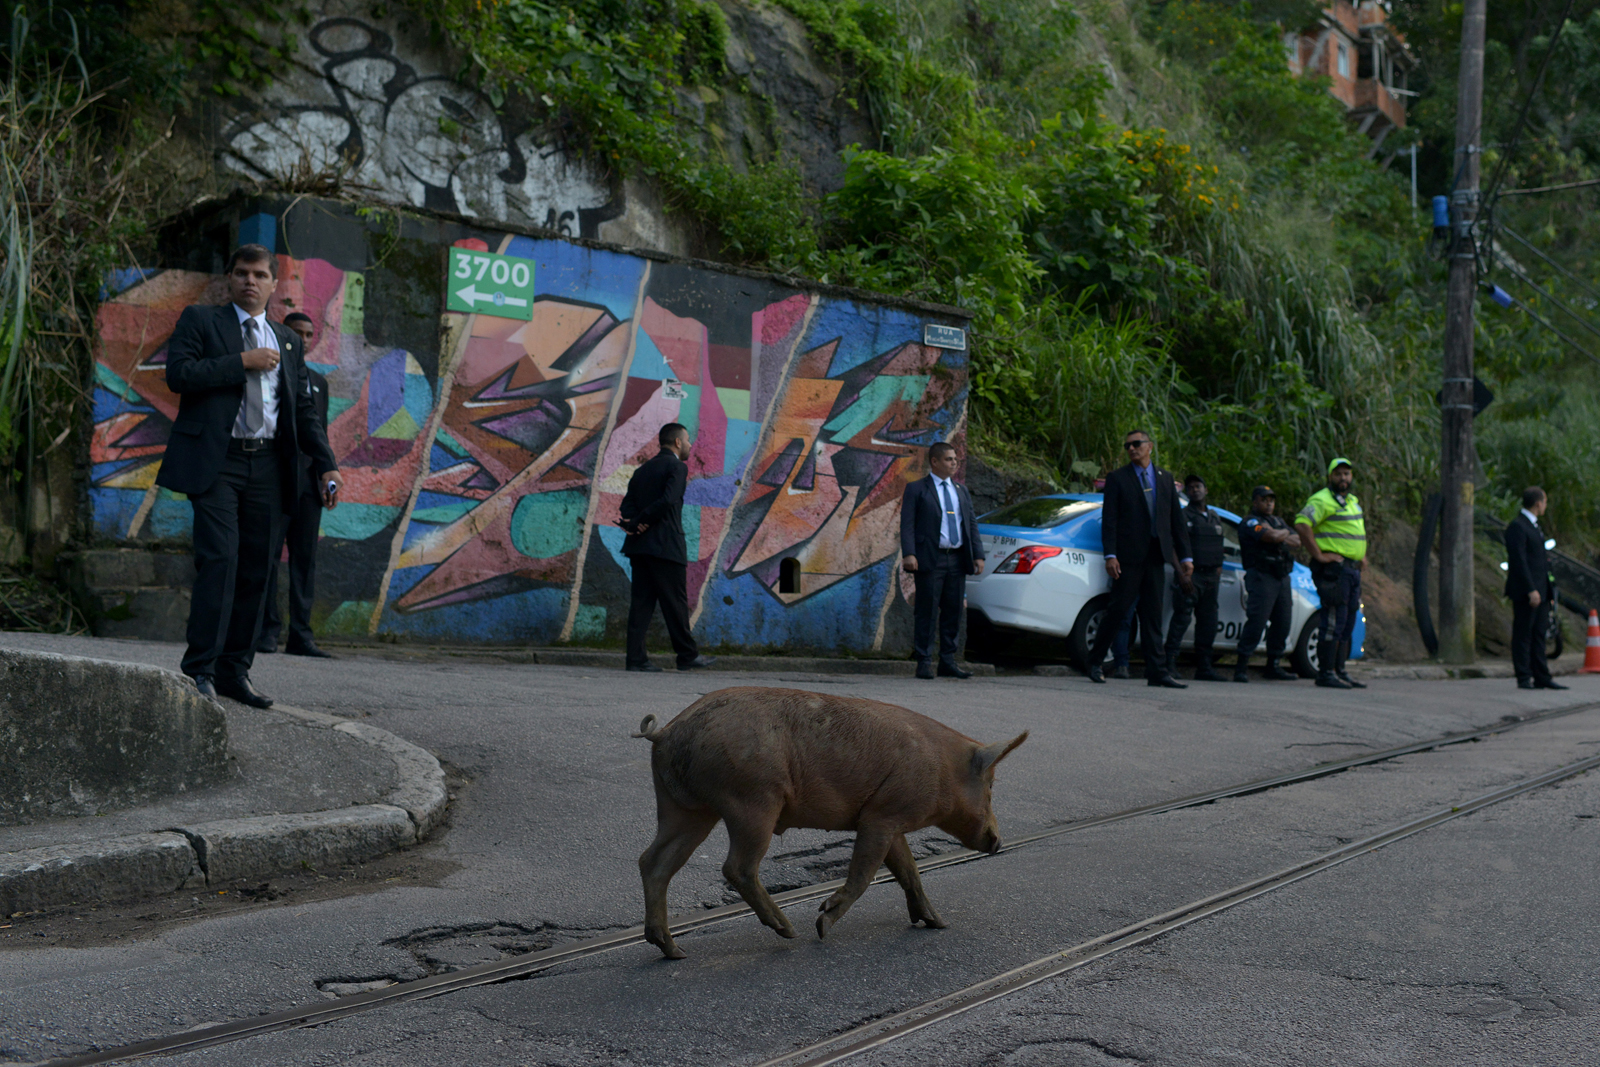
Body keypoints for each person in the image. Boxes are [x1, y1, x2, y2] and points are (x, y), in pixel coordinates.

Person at [155, 244, 343, 707]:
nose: (250, 281)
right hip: (218, 462)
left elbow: (302, 409)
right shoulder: (202, 321)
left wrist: (326, 463)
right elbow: (179, 374)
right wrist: (243, 361)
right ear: (229, 277)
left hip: (270, 467)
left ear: (273, 284)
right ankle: (199, 669)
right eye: (241, 273)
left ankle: (234, 672)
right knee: (220, 559)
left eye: (260, 274)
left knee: (258, 571)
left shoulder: (288, 340)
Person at [1086, 430, 1192, 687]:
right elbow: (1109, 520)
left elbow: (1176, 521)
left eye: (1136, 444)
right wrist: (1110, 555)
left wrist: (1186, 556)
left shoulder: (1165, 479)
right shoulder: (1118, 478)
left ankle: (1157, 671)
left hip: (1157, 556)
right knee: (1118, 610)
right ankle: (1094, 662)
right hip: (1129, 557)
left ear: (1150, 446)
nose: (1132, 449)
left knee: (1153, 615)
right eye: (1128, 446)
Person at [258, 312, 333, 658]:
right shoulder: (268, 371)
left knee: (305, 560)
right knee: (268, 557)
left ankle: (301, 636)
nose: (301, 338)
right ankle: (266, 632)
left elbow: (320, 433)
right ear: (283, 333)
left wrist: (326, 474)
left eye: (307, 333)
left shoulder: (319, 382)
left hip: (309, 485)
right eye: (296, 332)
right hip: (275, 478)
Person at [619, 423, 715, 673]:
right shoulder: (677, 467)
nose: (690, 445)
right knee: (675, 603)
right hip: (666, 546)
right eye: (688, 440)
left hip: (640, 547)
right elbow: (669, 499)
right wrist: (643, 521)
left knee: (641, 604)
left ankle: (636, 659)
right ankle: (687, 656)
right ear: (677, 442)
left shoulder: (642, 470)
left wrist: (636, 522)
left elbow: (626, 506)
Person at [900, 440, 986, 679]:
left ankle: (948, 661)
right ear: (935, 461)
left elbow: (970, 523)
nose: (954, 463)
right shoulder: (917, 489)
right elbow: (907, 524)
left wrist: (978, 554)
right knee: (926, 611)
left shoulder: (961, 490)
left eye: (955, 460)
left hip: (957, 559)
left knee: (953, 610)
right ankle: (924, 661)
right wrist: (909, 553)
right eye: (949, 459)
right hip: (930, 558)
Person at [1296, 457, 1367, 690]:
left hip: (1351, 569)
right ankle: (1325, 673)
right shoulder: (1321, 499)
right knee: (1333, 621)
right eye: (1338, 474)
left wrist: (1360, 556)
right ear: (1330, 477)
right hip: (1334, 571)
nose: (1343, 478)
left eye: (1347, 474)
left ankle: (1340, 671)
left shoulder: (1352, 501)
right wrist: (1318, 555)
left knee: (1348, 621)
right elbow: (1302, 523)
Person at [1234, 486, 1301, 683]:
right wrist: (1280, 535)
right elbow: (1269, 537)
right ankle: (1241, 666)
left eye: (1271, 500)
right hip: (1261, 577)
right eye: (1264, 500)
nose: (1269, 503)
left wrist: (1277, 533)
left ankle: (1273, 665)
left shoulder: (1277, 522)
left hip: (1281, 577)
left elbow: (1297, 540)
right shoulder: (1250, 522)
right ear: (1255, 502)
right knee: (1257, 621)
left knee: (1283, 621)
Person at [1505, 487, 1566, 691]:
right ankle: (1524, 676)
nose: (1545, 506)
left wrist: (1546, 590)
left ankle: (1542, 676)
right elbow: (1519, 561)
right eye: (1545, 502)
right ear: (1538, 503)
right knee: (1524, 633)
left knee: (1539, 633)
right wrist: (1530, 589)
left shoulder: (1535, 527)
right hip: (1527, 591)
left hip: (1541, 590)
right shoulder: (1518, 527)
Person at [1167, 474, 1226, 681]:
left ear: (1206, 490)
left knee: (1208, 623)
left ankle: (1204, 668)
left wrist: (1219, 567)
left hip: (1211, 577)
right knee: (1181, 619)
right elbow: (1173, 545)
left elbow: (1219, 545)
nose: (1195, 490)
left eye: (1198, 486)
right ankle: (1169, 665)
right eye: (1190, 487)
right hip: (1191, 575)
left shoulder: (1214, 516)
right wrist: (1181, 574)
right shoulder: (1183, 516)